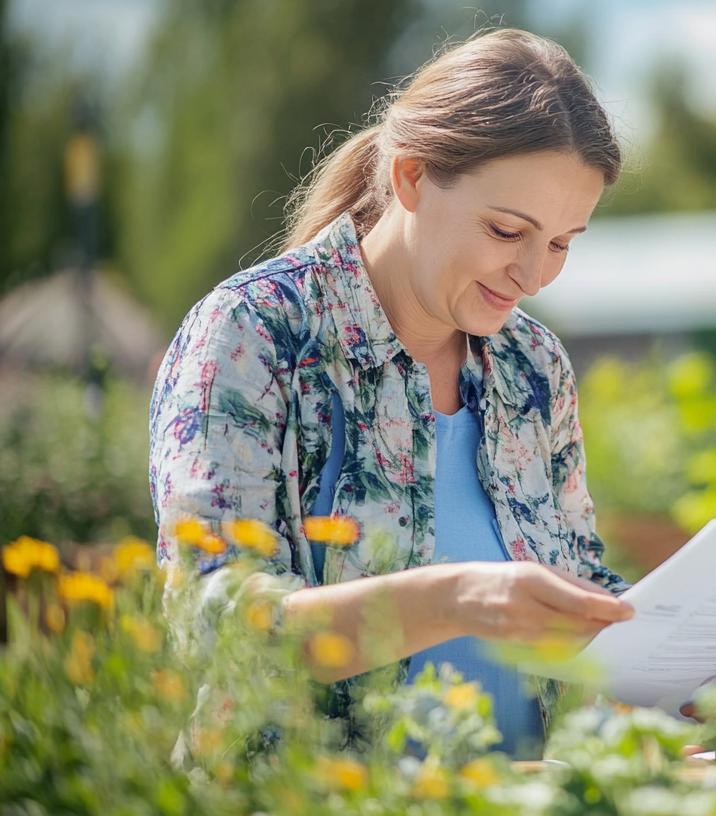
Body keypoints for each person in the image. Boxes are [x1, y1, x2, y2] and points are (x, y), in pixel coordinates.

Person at [148, 29, 634, 759]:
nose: (534, 275)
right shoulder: (256, 335)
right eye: (508, 231)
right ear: (410, 178)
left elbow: (579, 578)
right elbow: (212, 628)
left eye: (563, 242)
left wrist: (694, 659)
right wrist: (453, 600)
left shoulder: (534, 366)